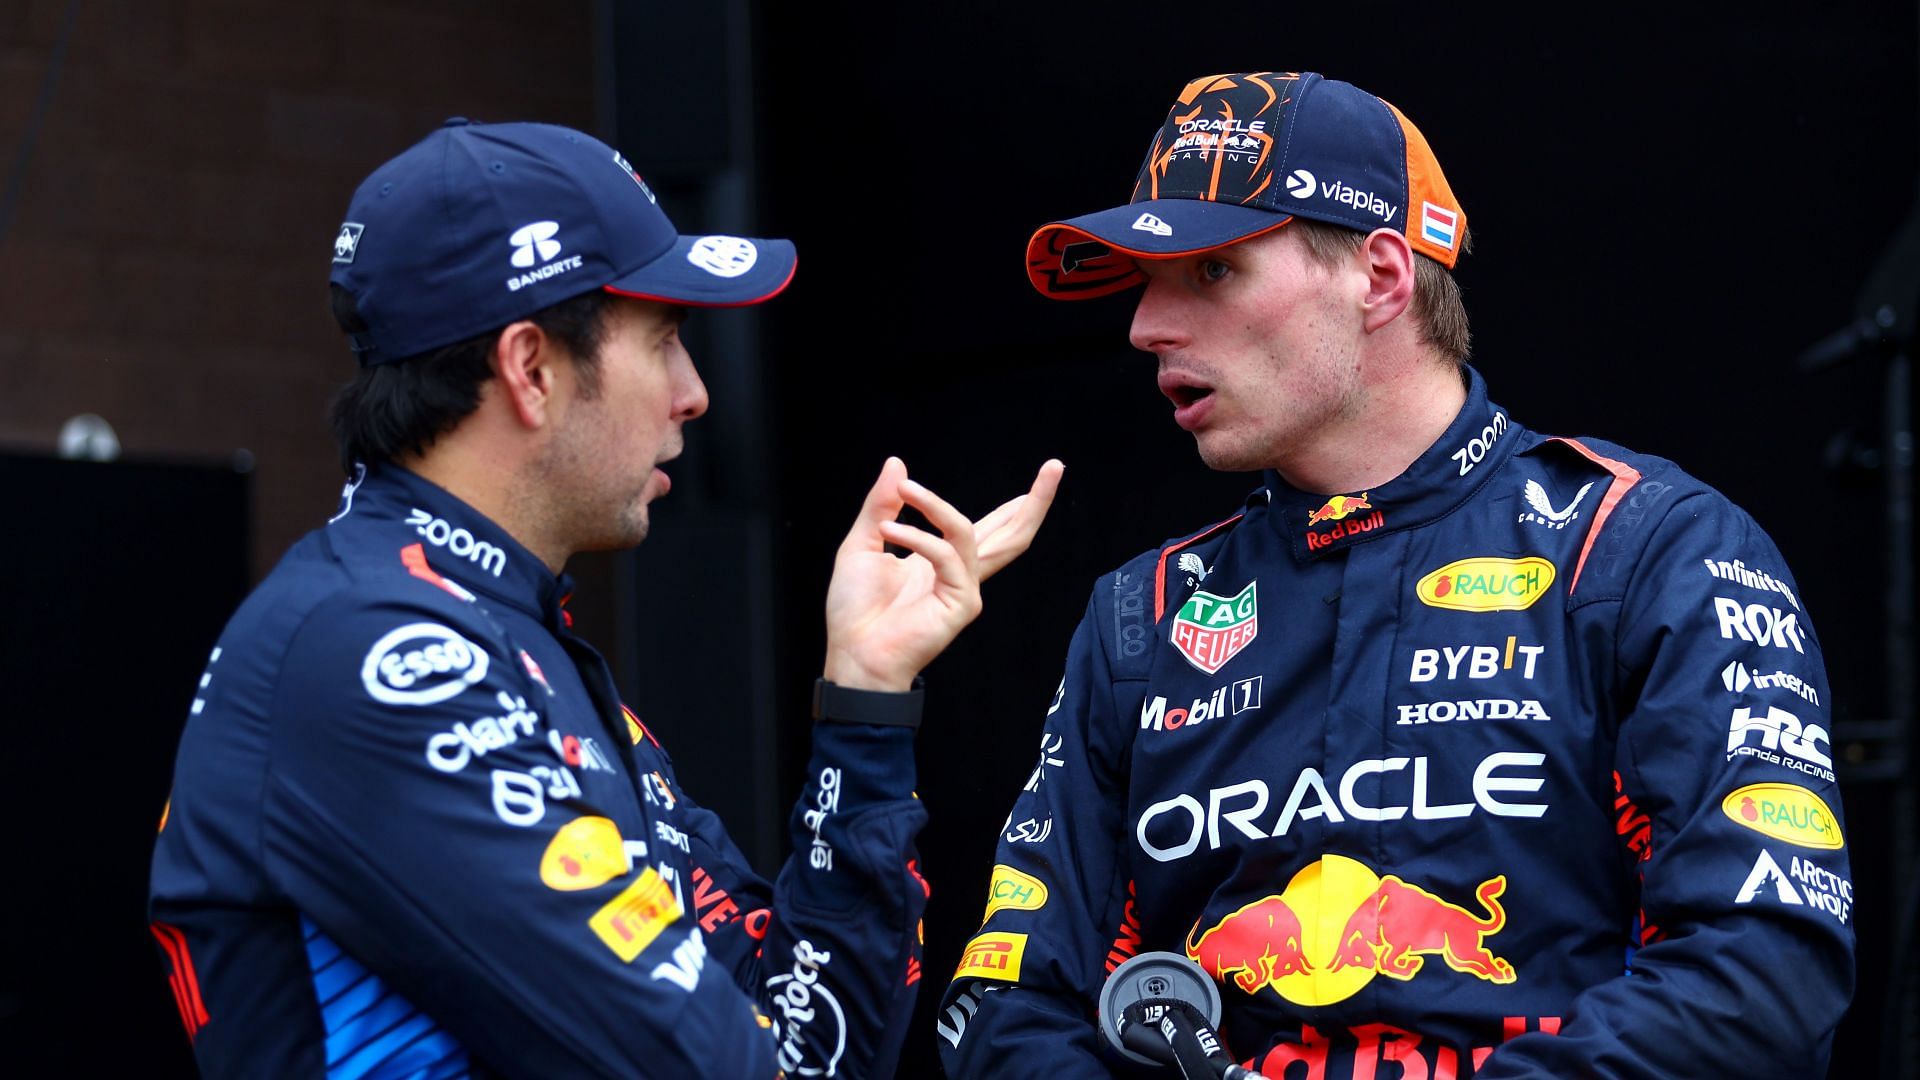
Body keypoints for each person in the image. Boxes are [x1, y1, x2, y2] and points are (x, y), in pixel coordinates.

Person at [938, 71, 1853, 1078]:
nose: (1145, 326)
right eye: (1145, 283)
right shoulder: (1144, 618)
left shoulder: (1644, 548)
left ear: (1380, 278)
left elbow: (1766, 966)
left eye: (1211, 274)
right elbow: (1004, 1006)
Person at [147, 118, 1061, 1078]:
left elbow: (808, 1049)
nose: (694, 392)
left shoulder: (511, 640)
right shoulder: (374, 653)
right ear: (531, 369)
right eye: (665, 339)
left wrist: (865, 699)